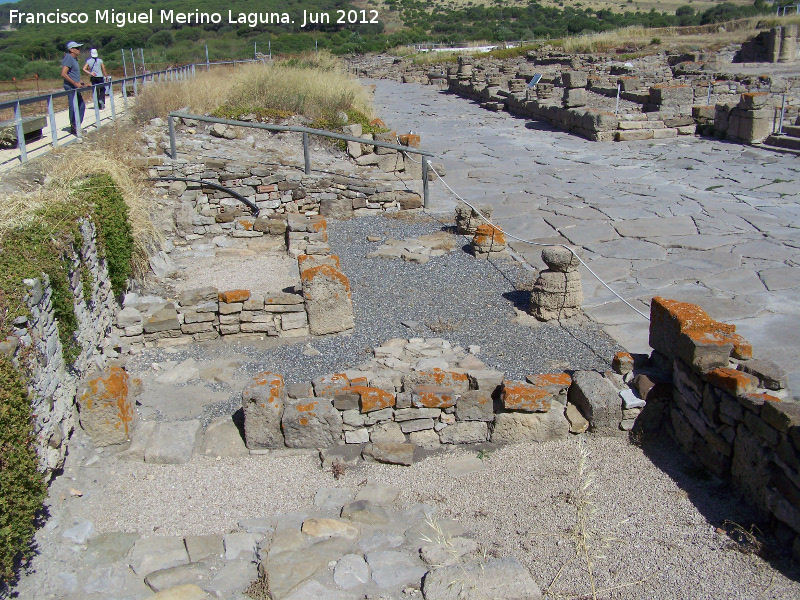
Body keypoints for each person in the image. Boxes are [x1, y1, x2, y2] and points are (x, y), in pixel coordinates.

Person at [61, 41, 85, 135]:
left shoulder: (74, 59)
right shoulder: (69, 58)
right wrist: (75, 83)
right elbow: (64, 73)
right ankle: (74, 127)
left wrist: (81, 82)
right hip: (70, 87)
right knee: (74, 106)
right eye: (77, 48)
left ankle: (76, 126)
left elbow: (74, 74)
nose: (79, 50)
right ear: (71, 50)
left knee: (81, 105)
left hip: (75, 86)